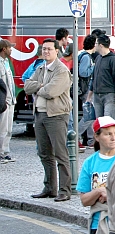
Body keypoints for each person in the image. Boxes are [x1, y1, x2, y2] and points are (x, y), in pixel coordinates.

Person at [25, 38, 72, 201]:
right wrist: (41, 86)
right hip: (39, 114)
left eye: (49, 49)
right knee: (44, 153)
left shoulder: (61, 70)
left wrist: (39, 87)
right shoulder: (40, 68)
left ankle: (65, 190)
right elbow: (27, 86)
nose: (46, 52)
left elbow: (52, 91)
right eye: (44, 49)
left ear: (57, 51)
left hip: (56, 115)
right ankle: (50, 188)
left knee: (60, 154)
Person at [88, 34, 115, 118]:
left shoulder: (114, 59)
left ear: (100, 45)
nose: (94, 46)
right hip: (97, 95)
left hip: (109, 95)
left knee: (108, 121)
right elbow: (94, 78)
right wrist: (89, 96)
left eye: (96, 43)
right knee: (99, 121)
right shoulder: (98, 58)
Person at [0, 39, 15, 163]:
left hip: (11, 100)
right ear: (4, 49)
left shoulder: (6, 62)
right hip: (4, 100)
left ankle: (5, 151)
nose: (12, 49)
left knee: (9, 128)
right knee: (2, 128)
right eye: (10, 47)